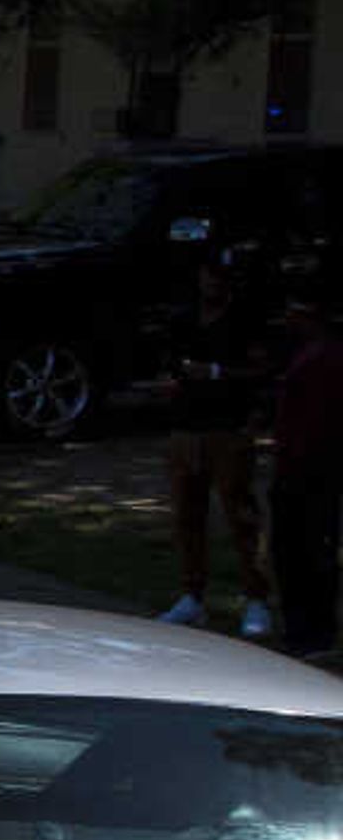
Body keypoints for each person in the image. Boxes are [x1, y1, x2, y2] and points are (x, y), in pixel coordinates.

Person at [158, 252, 276, 637]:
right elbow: (171, 364)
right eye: (208, 275)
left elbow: (261, 370)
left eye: (221, 277)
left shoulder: (245, 322)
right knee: (187, 515)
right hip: (186, 429)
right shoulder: (183, 319)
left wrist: (216, 373)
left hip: (228, 428)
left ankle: (256, 597)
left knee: (240, 513)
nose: (213, 284)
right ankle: (192, 595)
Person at [263, 264, 338, 660]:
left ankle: (314, 633)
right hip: (297, 466)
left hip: (310, 470)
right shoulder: (309, 355)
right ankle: (301, 629)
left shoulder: (325, 359)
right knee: (293, 551)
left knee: (306, 551)